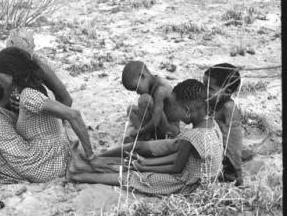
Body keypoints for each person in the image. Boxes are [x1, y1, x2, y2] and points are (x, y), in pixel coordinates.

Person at [67, 79, 224, 196]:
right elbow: (180, 156)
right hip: (194, 173)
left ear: (188, 111)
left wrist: (144, 167)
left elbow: (176, 168)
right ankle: (93, 163)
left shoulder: (192, 136)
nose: (174, 112)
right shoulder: (212, 124)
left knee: (133, 178)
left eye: (176, 108)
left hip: (186, 184)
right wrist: (146, 162)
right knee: (138, 154)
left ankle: (78, 175)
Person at [0, 47, 93, 184]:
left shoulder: (29, 95)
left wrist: (90, 156)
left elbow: (74, 115)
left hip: (45, 163)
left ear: (11, 74)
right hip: (53, 154)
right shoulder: (30, 87)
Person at [203, 63, 244, 186]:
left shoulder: (228, 108)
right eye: (203, 86)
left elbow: (234, 145)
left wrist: (238, 173)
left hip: (225, 162)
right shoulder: (212, 102)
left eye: (210, 88)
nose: (204, 91)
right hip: (212, 150)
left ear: (228, 91)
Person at [122, 60, 180, 142]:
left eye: (137, 88)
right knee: (131, 109)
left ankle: (143, 135)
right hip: (156, 125)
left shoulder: (161, 89)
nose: (137, 92)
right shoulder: (150, 84)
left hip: (169, 129)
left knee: (144, 99)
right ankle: (145, 135)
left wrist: (138, 132)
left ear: (142, 76)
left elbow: (155, 122)